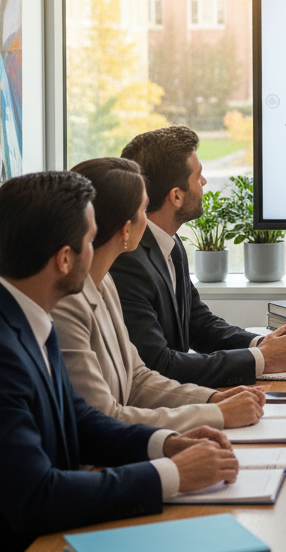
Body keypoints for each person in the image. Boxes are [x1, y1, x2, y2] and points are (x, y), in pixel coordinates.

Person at [0, 172, 239, 552]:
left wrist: (167, 444)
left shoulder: (24, 313)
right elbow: (37, 497)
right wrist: (174, 475)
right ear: (65, 259)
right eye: (89, 239)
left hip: (51, 545)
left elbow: (78, 419)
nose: (98, 249)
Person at [55, 157, 266, 432]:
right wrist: (215, 414)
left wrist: (212, 398)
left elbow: (138, 378)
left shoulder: (104, 281)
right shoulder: (68, 302)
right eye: (143, 210)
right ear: (126, 230)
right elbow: (104, 416)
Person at [111, 126, 286, 387]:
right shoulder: (128, 260)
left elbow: (198, 323)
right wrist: (261, 359)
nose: (204, 183)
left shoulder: (169, 240)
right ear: (176, 196)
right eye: (199, 177)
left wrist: (265, 344)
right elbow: (159, 365)